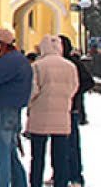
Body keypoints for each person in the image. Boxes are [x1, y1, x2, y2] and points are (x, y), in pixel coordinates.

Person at [0, 28, 33, 187]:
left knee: (2, 154)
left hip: (5, 109)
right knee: (10, 152)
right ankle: (20, 183)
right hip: (14, 109)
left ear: (1, 44)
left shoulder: (9, 60)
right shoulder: (19, 59)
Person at [26, 36, 78, 187]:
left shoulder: (37, 66)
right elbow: (73, 88)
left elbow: (33, 90)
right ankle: (60, 182)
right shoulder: (70, 66)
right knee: (60, 155)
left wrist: (29, 104)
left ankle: (35, 182)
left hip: (40, 115)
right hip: (62, 116)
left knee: (38, 156)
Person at [58, 35, 93, 187]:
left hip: (70, 108)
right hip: (63, 108)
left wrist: (73, 92)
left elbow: (88, 82)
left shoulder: (73, 63)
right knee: (61, 144)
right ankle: (62, 173)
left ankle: (75, 176)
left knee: (71, 144)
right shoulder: (63, 63)